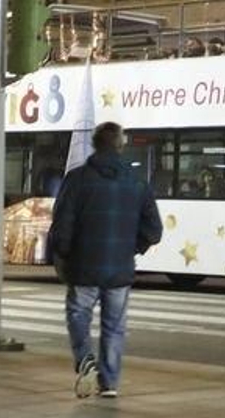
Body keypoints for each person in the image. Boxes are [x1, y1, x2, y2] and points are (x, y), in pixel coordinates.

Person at [48, 122, 162, 399]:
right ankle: (109, 382)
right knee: (114, 325)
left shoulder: (77, 179)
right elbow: (154, 230)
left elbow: (62, 224)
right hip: (120, 268)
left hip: (84, 265)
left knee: (78, 314)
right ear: (120, 146)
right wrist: (131, 248)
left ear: (95, 145)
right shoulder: (137, 182)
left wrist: (63, 253)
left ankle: (85, 358)